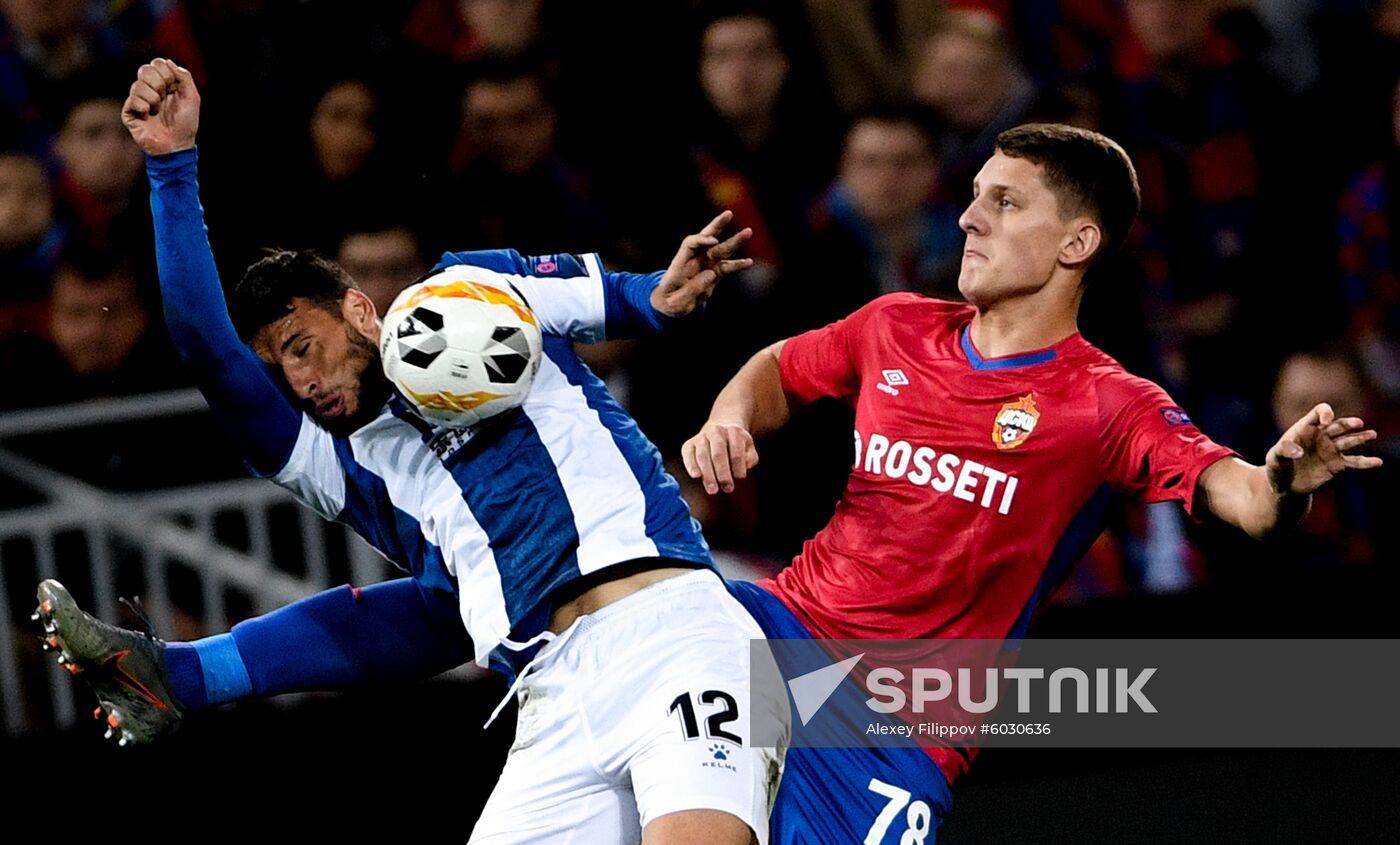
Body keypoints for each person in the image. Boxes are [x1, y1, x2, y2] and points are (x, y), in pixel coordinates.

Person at [37, 58, 782, 845]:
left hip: (671, 634)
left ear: (359, 307)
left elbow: (619, 297)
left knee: (893, 702)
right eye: (279, 368)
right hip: (549, 693)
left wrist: (657, 297)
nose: (299, 377)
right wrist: (170, 166)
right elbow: (206, 350)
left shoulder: (469, 294)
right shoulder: (344, 463)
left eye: (303, 344)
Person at [681, 123, 1382, 844]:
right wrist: (728, 419)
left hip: (898, 731)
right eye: (976, 195)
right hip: (779, 634)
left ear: (1075, 244)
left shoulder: (1106, 402)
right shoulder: (897, 325)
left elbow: (1246, 499)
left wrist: (1283, 481)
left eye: (1006, 202)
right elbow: (780, 367)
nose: (969, 216)